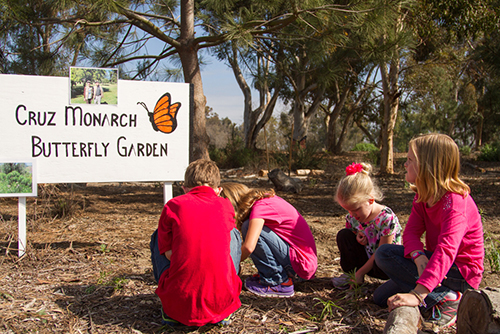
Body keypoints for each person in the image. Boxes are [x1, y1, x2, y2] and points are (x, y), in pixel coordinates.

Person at [374, 133, 484, 330]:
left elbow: (446, 251)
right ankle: (435, 293)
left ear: (428, 166)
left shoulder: (454, 203)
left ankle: (449, 298)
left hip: (460, 272)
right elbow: (410, 233)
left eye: (409, 160)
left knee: (384, 253)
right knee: (380, 297)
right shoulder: (423, 196)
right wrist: (417, 256)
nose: (405, 165)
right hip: (436, 264)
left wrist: (417, 294)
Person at [149, 159, 242, 327]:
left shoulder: (173, 205)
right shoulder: (226, 205)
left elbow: (170, 256)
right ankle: (224, 307)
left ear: (184, 189)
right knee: (233, 232)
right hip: (221, 302)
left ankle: (171, 306)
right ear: (219, 190)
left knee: (158, 236)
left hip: (179, 304)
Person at [220, 182, 317, 298]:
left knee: (248, 228)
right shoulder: (264, 200)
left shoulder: (260, 208)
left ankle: (276, 282)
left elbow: (248, 247)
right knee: (250, 229)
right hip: (300, 262)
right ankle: (275, 275)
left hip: (301, 266)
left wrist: (232, 263)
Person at [332, 162, 402, 289]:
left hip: (384, 266)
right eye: (348, 210)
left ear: (370, 200)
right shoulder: (353, 218)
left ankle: (358, 275)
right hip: (366, 257)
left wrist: (361, 272)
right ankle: (351, 275)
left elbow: (382, 251)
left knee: (383, 253)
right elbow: (352, 236)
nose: (352, 214)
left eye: (356, 209)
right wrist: (358, 236)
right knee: (344, 235)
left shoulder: (386, 218)